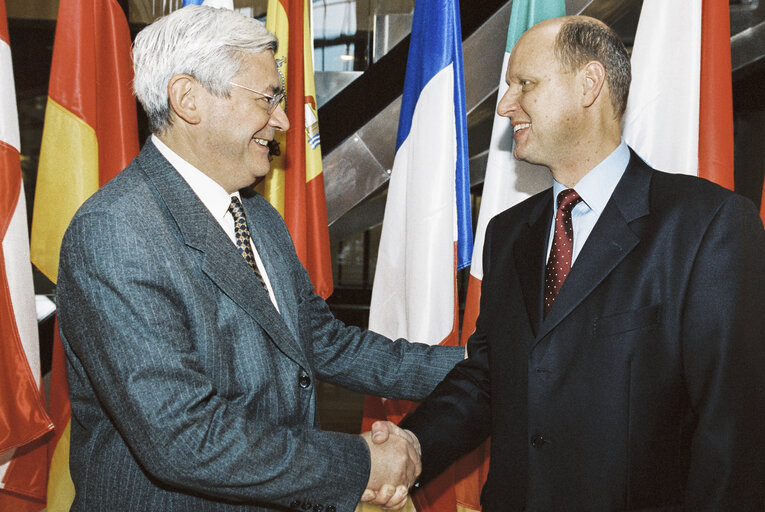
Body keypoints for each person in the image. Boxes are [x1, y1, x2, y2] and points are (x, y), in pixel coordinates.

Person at [56, 6, 462, 511]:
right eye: (268, 98)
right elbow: (186, 439)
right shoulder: (116, 232)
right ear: (188, 99)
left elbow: (323, 342)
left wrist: (480, 366)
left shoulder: (257, 216)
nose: (286, 120)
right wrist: (361, 463)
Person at [378, 15, 765, 510]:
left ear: (590, 84)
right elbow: (489, 377)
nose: (504, 105)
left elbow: (732, 433)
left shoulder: (707, 226)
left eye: (525, 84)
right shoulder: (507, 233)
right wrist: (414, 446)